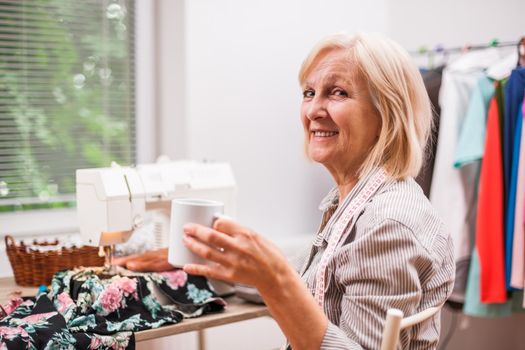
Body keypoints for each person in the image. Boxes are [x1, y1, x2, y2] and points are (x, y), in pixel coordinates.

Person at [115, 33, 455, 349]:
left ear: (388, 112)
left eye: (338, 92)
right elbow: (310, 285)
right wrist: (219, 260)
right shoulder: (356, 201)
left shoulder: (386, 223)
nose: (313, 111)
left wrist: (276, 280)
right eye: (309, 93)